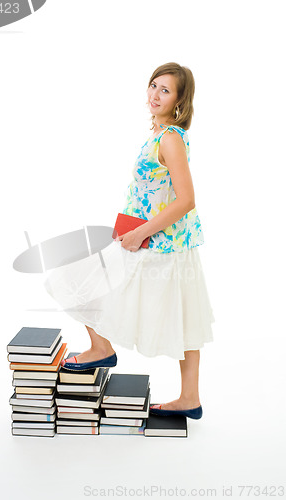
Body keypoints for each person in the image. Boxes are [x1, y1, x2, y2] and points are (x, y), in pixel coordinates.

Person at [43, 62, 215, 419]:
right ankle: (181, 392)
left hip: (160, 245)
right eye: (154, 85)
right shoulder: (159, 135)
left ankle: (111, 354)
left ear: (180, 100)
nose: (155, 94)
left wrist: (139, 232)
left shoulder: (170, 139)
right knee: (82, 279)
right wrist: (130, 228)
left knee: (182, 319)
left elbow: (186, 199)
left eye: (166, 90)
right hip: (144, 239)